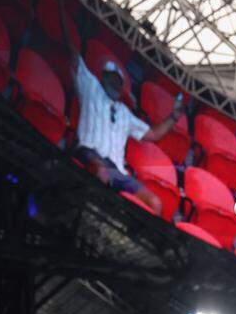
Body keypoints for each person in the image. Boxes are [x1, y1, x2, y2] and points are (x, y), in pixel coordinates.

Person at [70, 55, 181, 216]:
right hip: (89, 152)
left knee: (155, 203)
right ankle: (88, 218)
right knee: (102, 172)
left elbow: (154, 134)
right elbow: (74, 56)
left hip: (116, 170)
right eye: (110, 78)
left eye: (117, 81)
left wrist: (174, 117)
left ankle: (130, 239)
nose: (114, 83)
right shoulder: (91, 87)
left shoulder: (124, 112)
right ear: (104, 77)